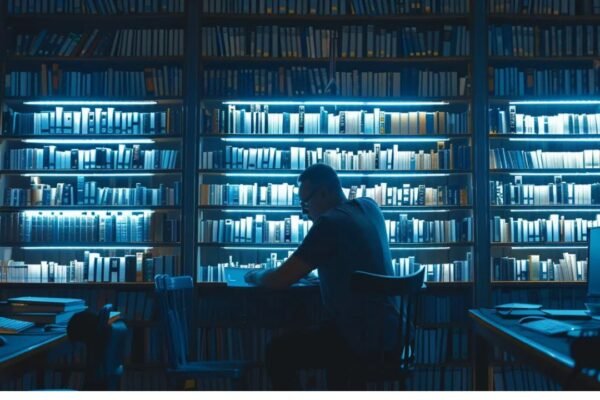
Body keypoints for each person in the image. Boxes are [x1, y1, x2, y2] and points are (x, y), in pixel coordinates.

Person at [244, 163, 399, 390]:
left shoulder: (329, 224)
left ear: (324, 193)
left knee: (278, 352)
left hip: (355, 341)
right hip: (392, 335)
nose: (304, 212)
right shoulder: (370, 207)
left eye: (306, 203)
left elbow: (280, 279)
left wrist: (254, 275)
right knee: (330, 342)